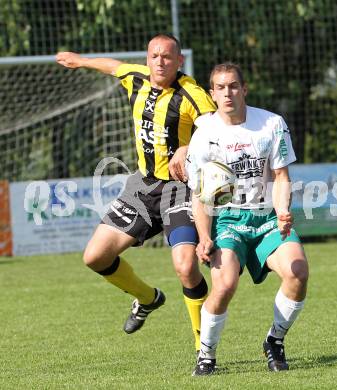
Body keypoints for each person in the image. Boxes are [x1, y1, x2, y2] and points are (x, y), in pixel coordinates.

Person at [56, 34, 217, 353]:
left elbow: (218, 131)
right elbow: (113, 66)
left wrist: (187, 147)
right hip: (142, 187)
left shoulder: (192, 94)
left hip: (181, 189)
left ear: (179, 61)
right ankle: (147, 298)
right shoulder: (136, 78)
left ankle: (204, 349)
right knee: (95, 257)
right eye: (154, 55)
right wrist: (82, 61)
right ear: (147, 59)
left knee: (186, 266)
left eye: (167, 57)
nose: (160, 61)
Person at [186, 63, 309, 375]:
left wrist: (282, 211)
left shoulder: (271, 123)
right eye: (221, 87)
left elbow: (282, 176)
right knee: (225, 285)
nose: (228, 93)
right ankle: (207, 354)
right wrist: (204, 236)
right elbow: (200, 196)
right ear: (212, 93)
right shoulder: (204, 136)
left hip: (266, 217)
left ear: (244, 88)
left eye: (233, 86)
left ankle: (275, 341)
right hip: (228, 220)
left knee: (298, 272)